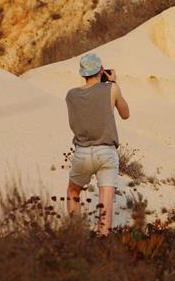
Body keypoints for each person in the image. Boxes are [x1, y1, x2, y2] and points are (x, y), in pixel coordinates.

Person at [65, 52, 130, 235]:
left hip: (82, 152)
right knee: (106, 200)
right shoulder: (111, 88)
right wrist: (113, 83)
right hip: (106, 152)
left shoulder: (71, 95)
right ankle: (103, 239)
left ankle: (75, 235)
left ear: (82, 73)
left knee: (73, 191)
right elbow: (125, 114)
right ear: (101, 70)